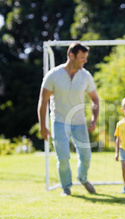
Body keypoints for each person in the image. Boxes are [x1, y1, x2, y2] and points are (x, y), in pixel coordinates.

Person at [37, 42, 99, 197]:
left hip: (79, 123)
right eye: (82, 58)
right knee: (63, 157)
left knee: (86, 156)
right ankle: (66, 187)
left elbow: (95, 100)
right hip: (59, 122)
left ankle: (83, 178)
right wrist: (43, 126)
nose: (85, 61)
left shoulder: (86, 76)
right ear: (72, 56)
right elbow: (43, 101)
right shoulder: (54, 75)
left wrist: (94, 119)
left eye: (86, 58)